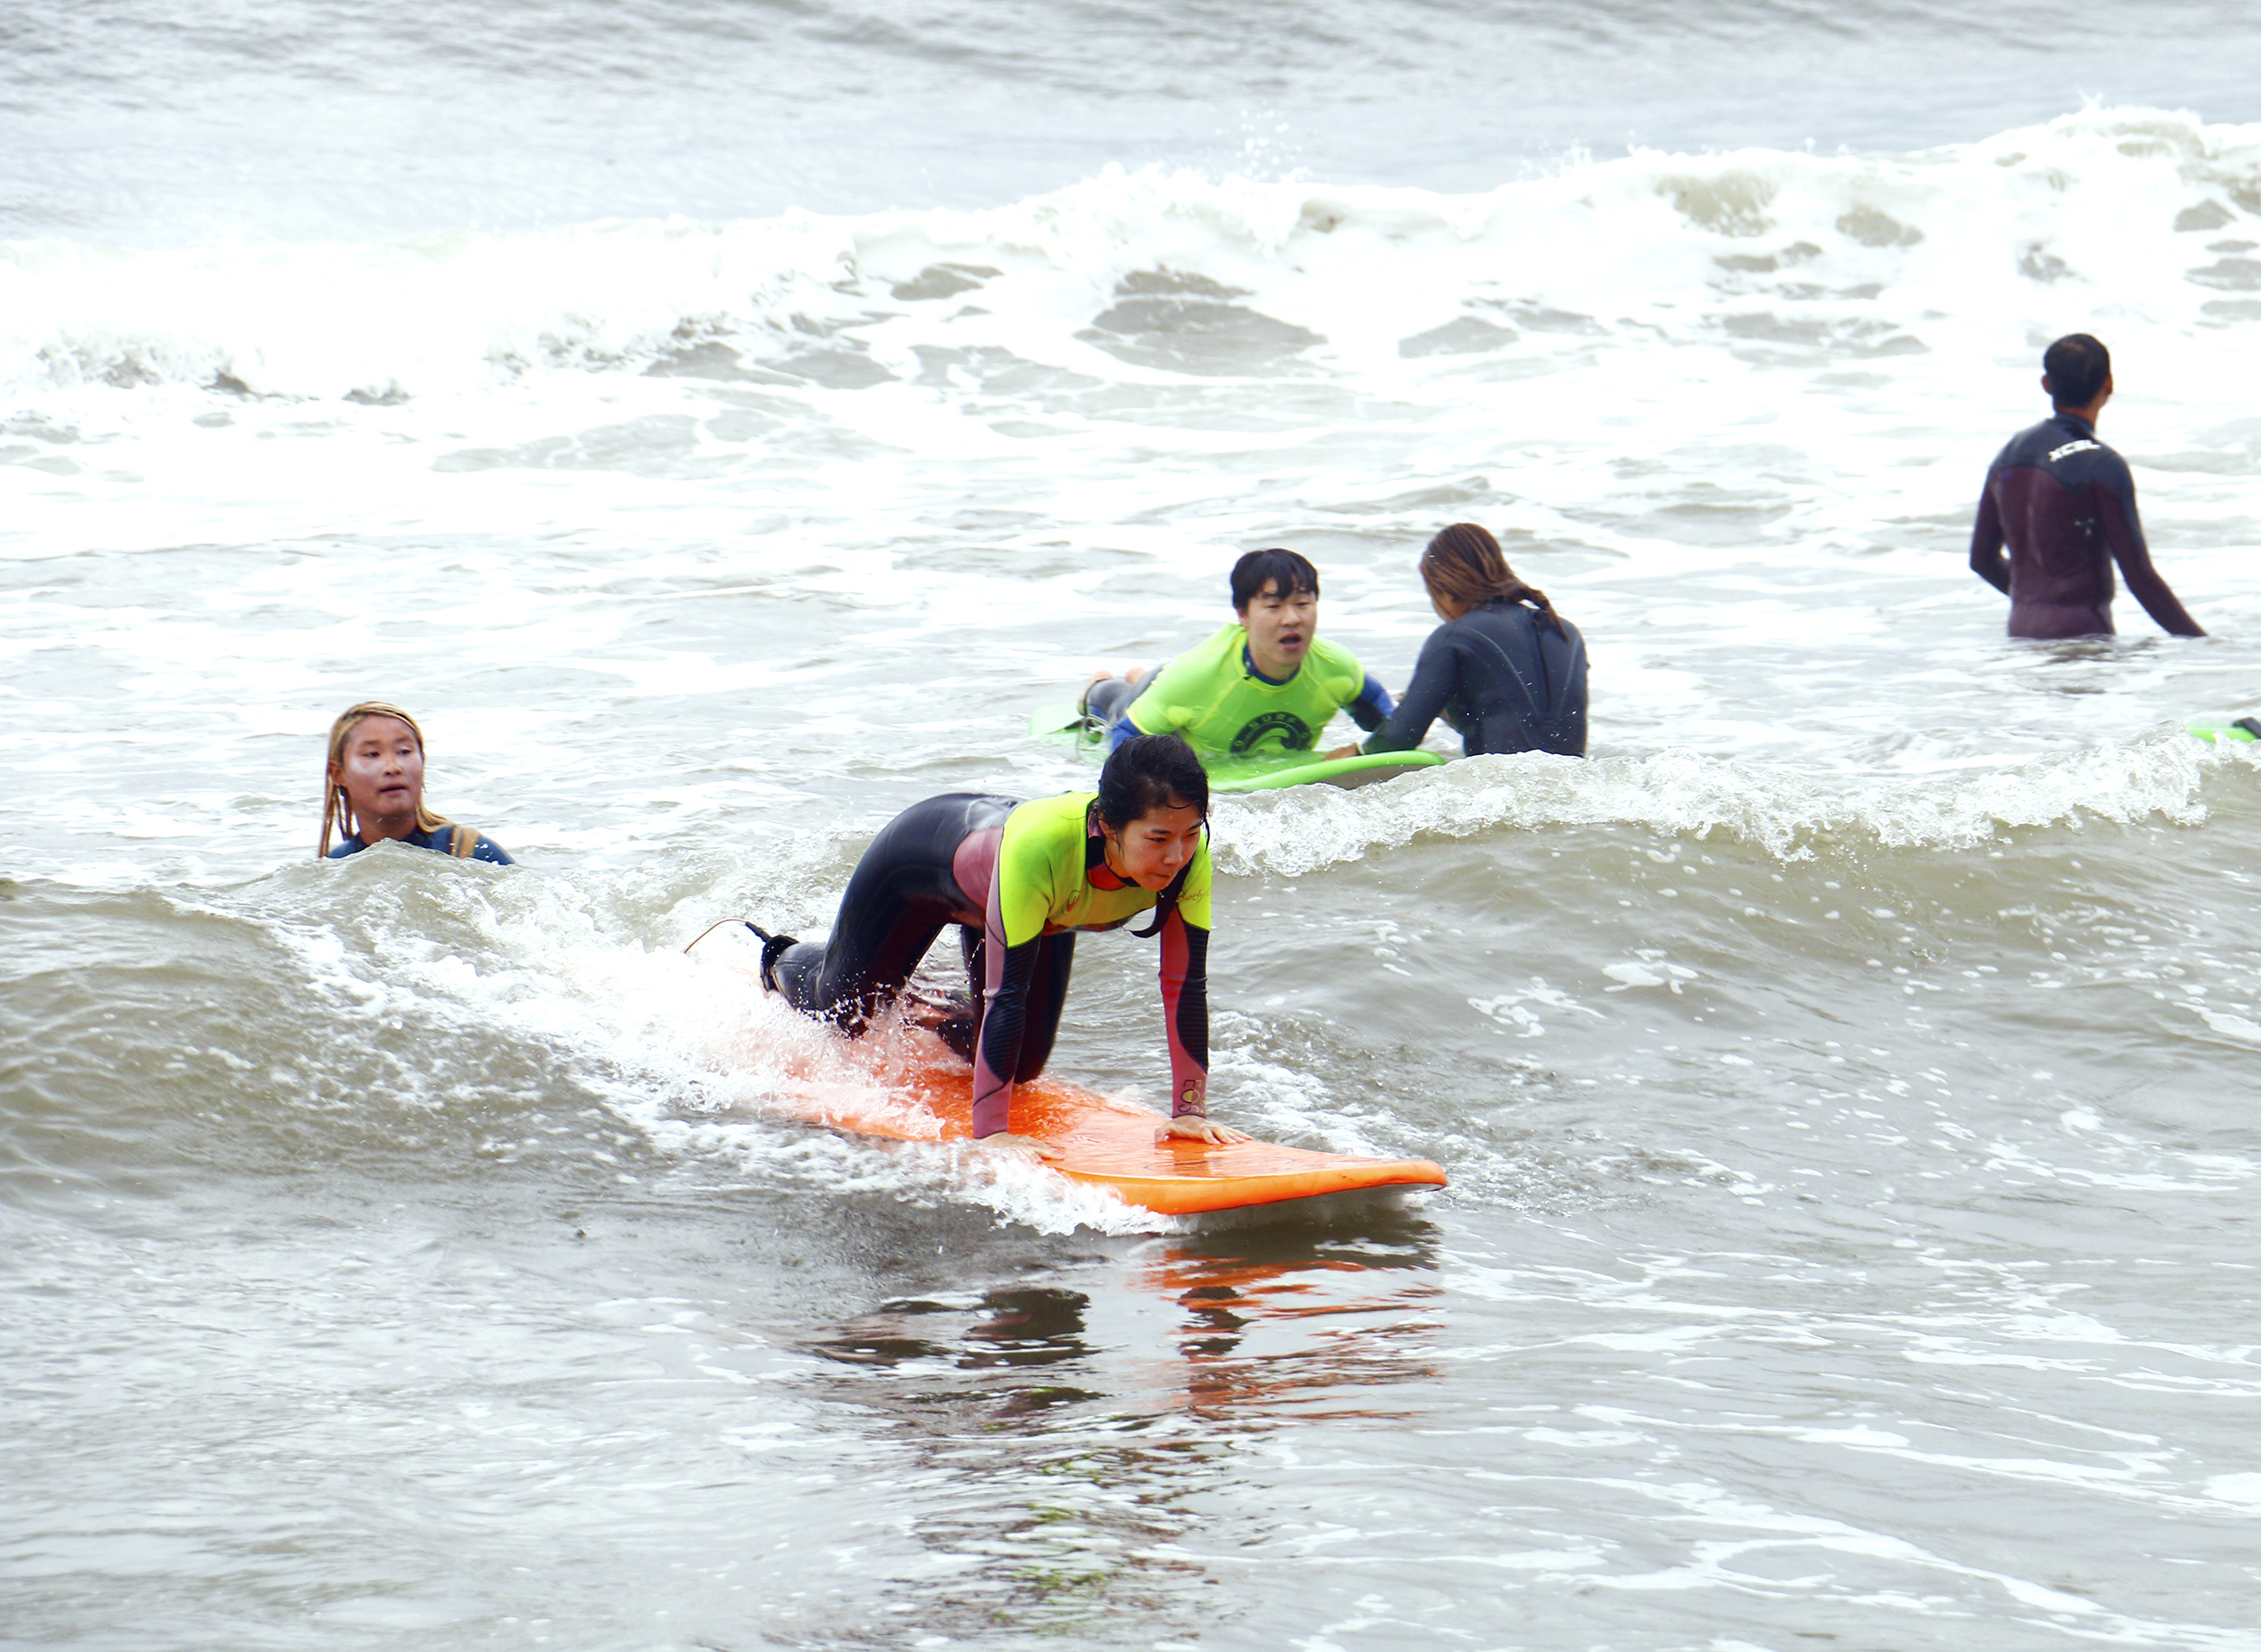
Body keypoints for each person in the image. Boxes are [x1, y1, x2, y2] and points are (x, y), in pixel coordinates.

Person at [748, 734, 1250, 1158]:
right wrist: (991, 1134)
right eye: (1159, 838)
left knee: (1025, 1066)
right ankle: (780, 958)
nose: (1177, 855)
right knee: (847, 1016)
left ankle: (925, 1005)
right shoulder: (1044, 848)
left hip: (1012, 903)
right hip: (915, 866)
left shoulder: (1188, 857)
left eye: (1189, 834)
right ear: (1107, 826)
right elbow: (1008, 997)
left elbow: (1184, 986)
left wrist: (1189, 1113)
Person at [1968, 334, 2205, 640]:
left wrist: (2035, 601)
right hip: (2082, 640)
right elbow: (2140, 577)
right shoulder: (2101, 464)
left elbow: (1982, 560)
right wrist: (2203, 645)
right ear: (2108, 384)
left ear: (2047, 385)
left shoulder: (2009, 455)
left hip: (2022, 642)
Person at [1081, 548, 1395, 760]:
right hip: (1171, 691)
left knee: (1161, 690)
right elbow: (1125, 738)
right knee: (1121, 703)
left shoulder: (1335, 667)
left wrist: (1360, 750)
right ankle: (1100, 684)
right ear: (1242, 614)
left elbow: (1394, 723)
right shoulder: (1196, 678)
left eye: (1302, 604)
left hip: (1179, 691)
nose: (1291, 619)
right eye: (1273, 606)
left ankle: (1140, 676)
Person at [1358, 524, 1588, 759]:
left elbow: (1397, 739)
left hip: (1500, 789)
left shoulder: (1455, 636)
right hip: (1579, 785)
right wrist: (1448, 710)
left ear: (1444, 591)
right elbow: (1534, 728)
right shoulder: (1566, 633)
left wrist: (1357, 752)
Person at [318, 701, 514, 864]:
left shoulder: (472, 854)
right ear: (338, 773)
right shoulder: (334, 868)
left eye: (404, 751)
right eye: (372, 754)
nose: (393, 767)